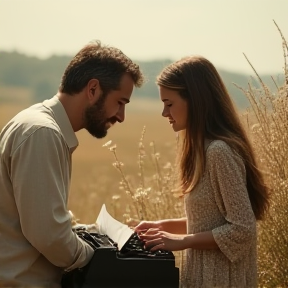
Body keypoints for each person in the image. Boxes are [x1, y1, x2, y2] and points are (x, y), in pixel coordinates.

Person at [0, 40, 144, 288]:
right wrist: (96, 256)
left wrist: (95, 233)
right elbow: (48, 235)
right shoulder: (43, 133)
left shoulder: (41, 127)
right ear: (93, 90)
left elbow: (39, 221)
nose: (121, 116)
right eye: (120, 102)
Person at [134, 56, 269, 287]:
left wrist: (181, 241)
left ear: (195, 100)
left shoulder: (219, 152)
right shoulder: (202, 150)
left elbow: (242, 229)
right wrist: (162, 226)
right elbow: (209, 222)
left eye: (169, 103)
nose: (164, 113)